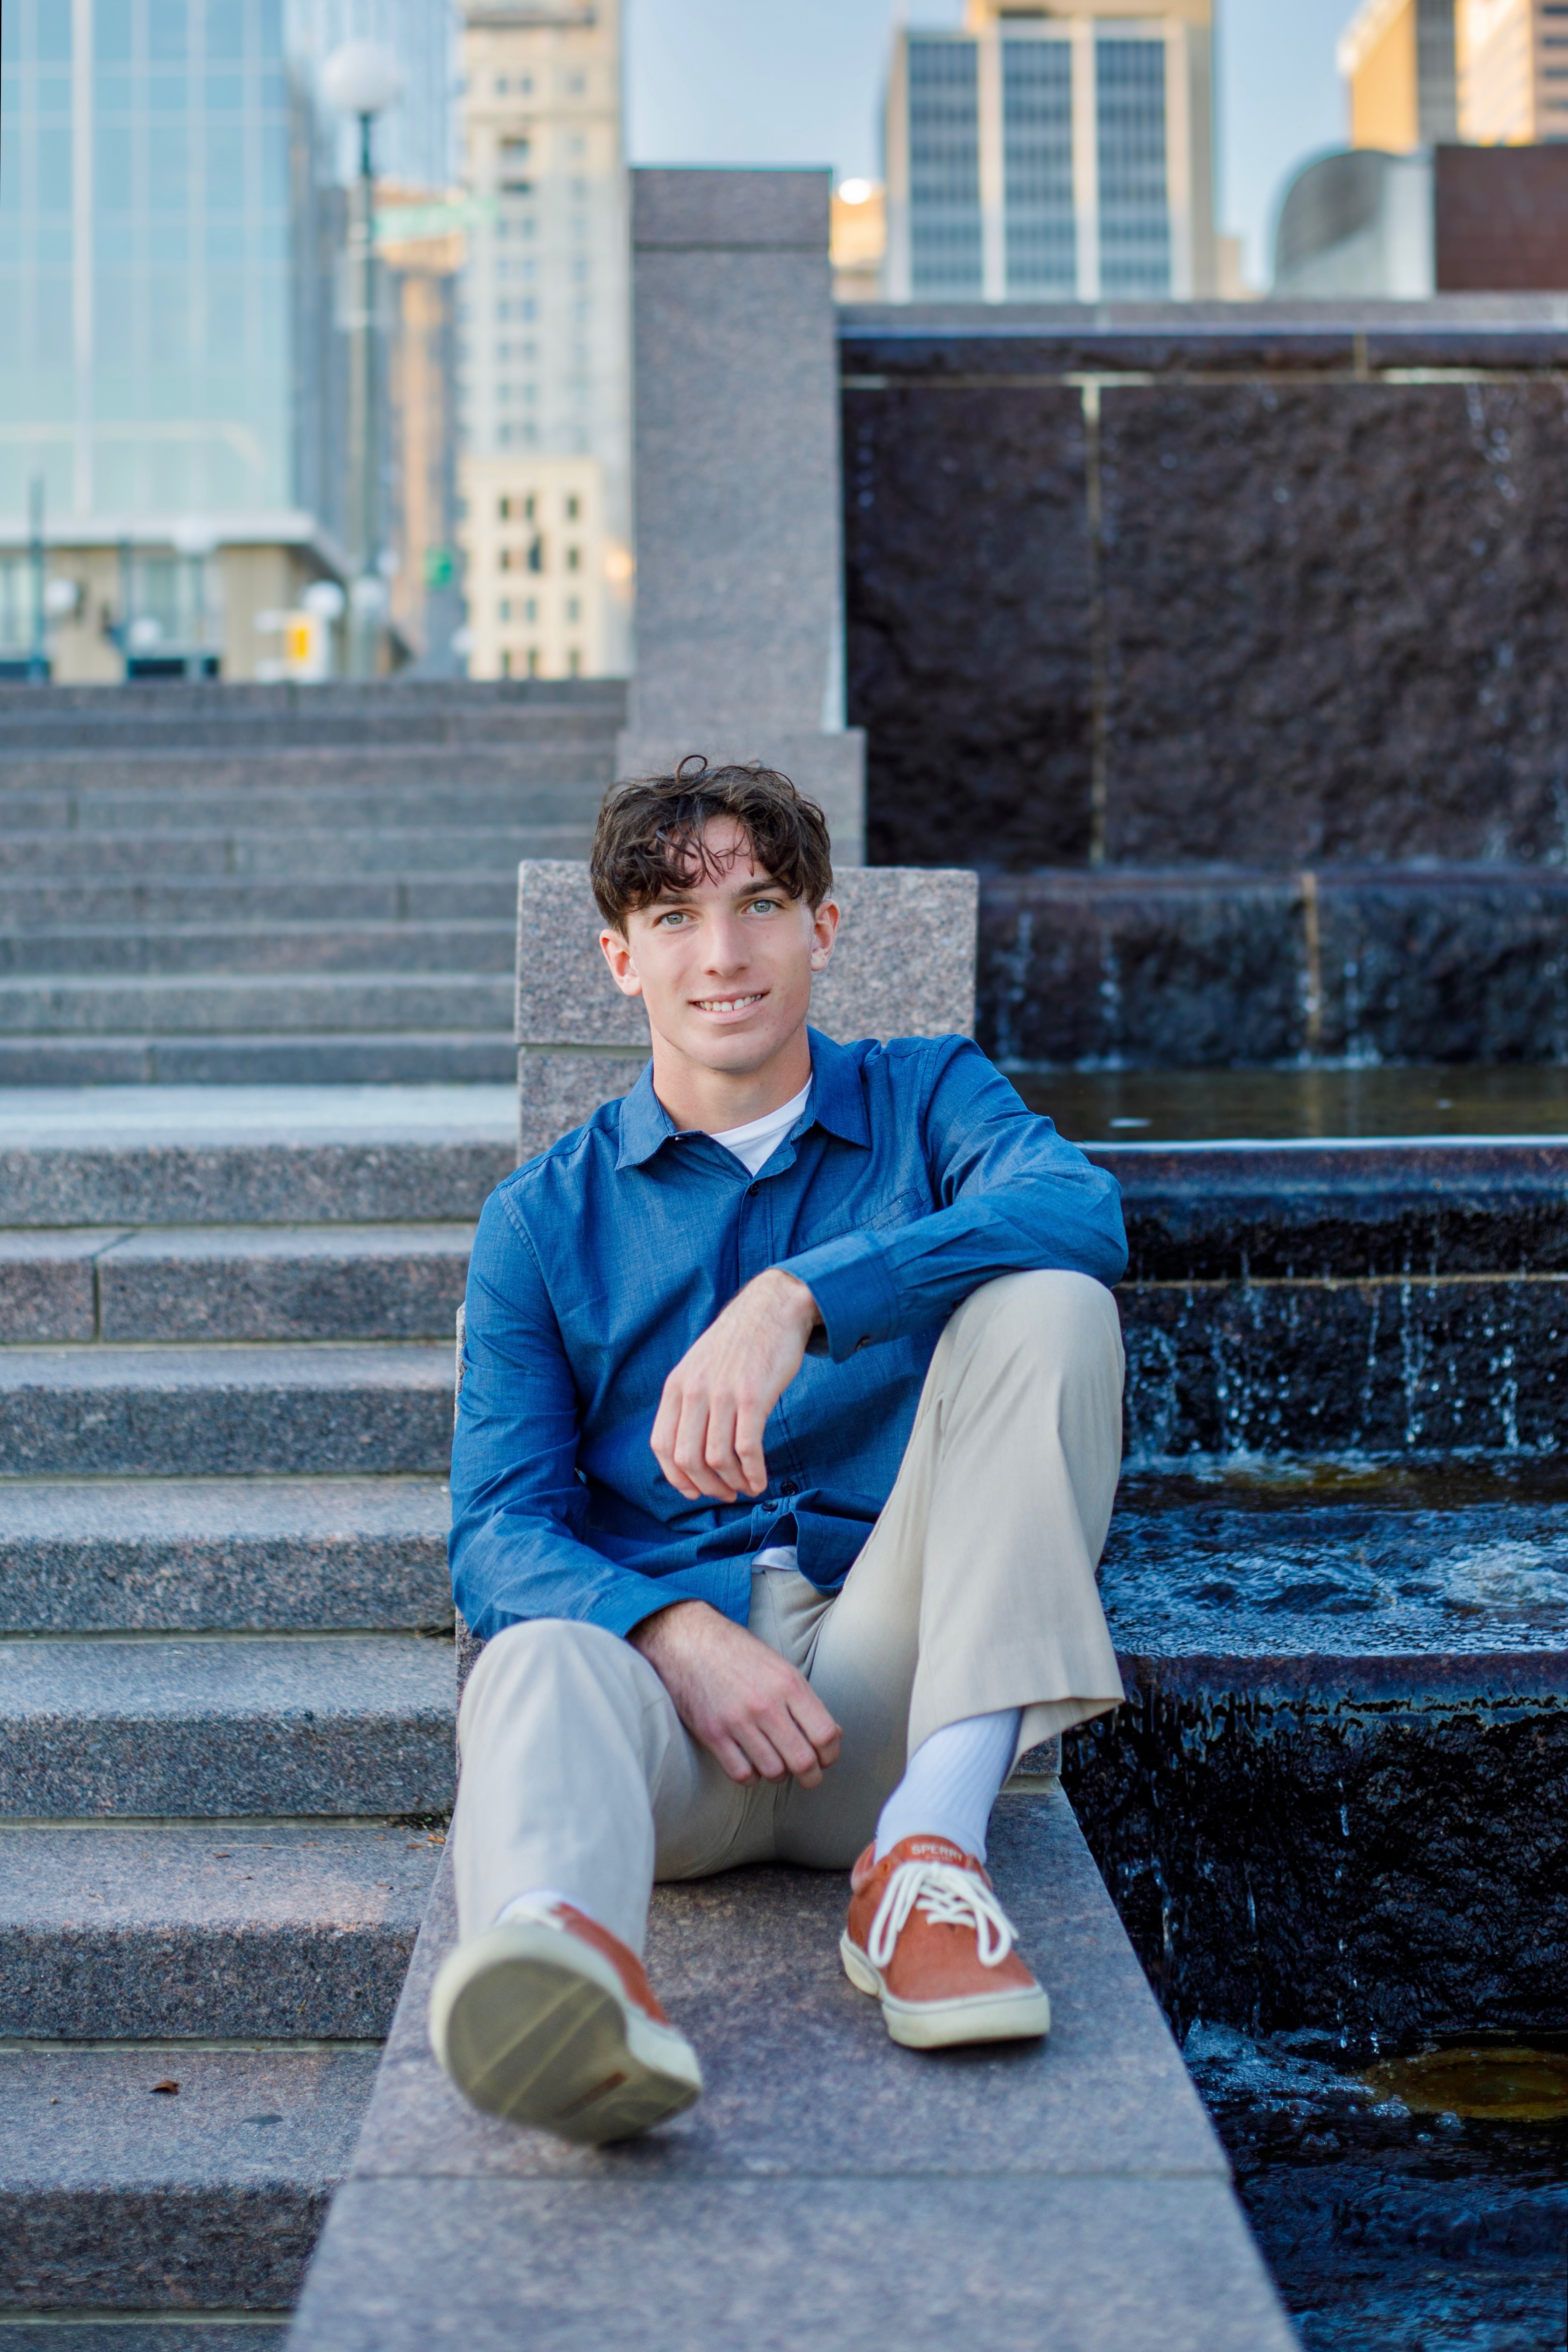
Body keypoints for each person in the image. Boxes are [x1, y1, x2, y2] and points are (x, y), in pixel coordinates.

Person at [430, 758, 1128, 2146]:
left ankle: (927, 1865)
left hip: (892, 1692)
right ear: (620, 960)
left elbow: (1080, 1208)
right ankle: (564, 1962)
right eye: (675, 921)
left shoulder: (928, 1097)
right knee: (534, 1651)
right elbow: (497, 1532)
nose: (724, 955)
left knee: (1049, 1302)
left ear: (820, 926)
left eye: (758, 904)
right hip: (667, 1738)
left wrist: (803, 1296)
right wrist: (673, 1631)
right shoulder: (538, 1220)